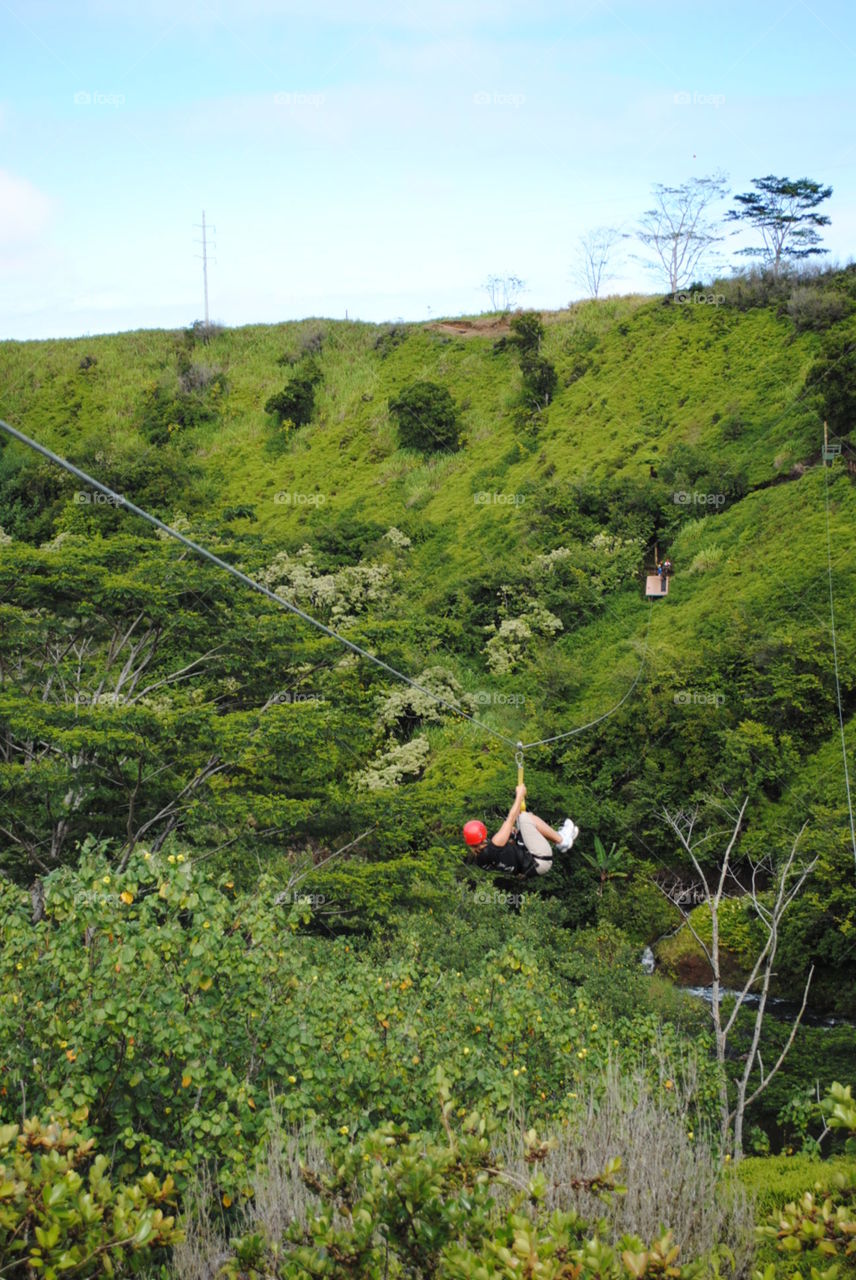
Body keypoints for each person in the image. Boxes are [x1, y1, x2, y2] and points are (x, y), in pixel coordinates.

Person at [462, 785, 578, 878]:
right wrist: (519, 795)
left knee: (521, 825)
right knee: (524, 818)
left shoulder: (480, 860)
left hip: (532, 866)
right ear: (483, 833)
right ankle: (562, 841)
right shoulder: (494, 845)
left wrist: (513, 836)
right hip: (539, 859)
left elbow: (505, 856)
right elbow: (510, 818)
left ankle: (561, 840)